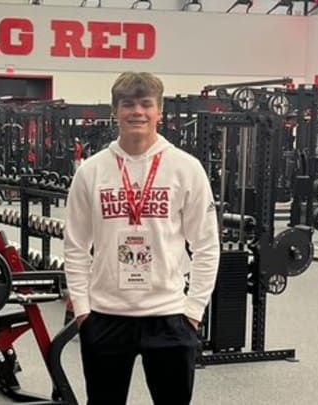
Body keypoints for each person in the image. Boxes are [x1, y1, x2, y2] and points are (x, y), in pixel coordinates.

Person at [64, 72, 221, 405]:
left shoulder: (185, 168)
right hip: (106, 316)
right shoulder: (90, 171)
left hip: (169, 318)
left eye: (146, 104)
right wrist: (82, 310)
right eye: (128, 104)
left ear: (159, 111)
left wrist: (193, 311)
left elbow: (207, 245)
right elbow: (75, 245)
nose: (137, 112)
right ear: (115, 111)